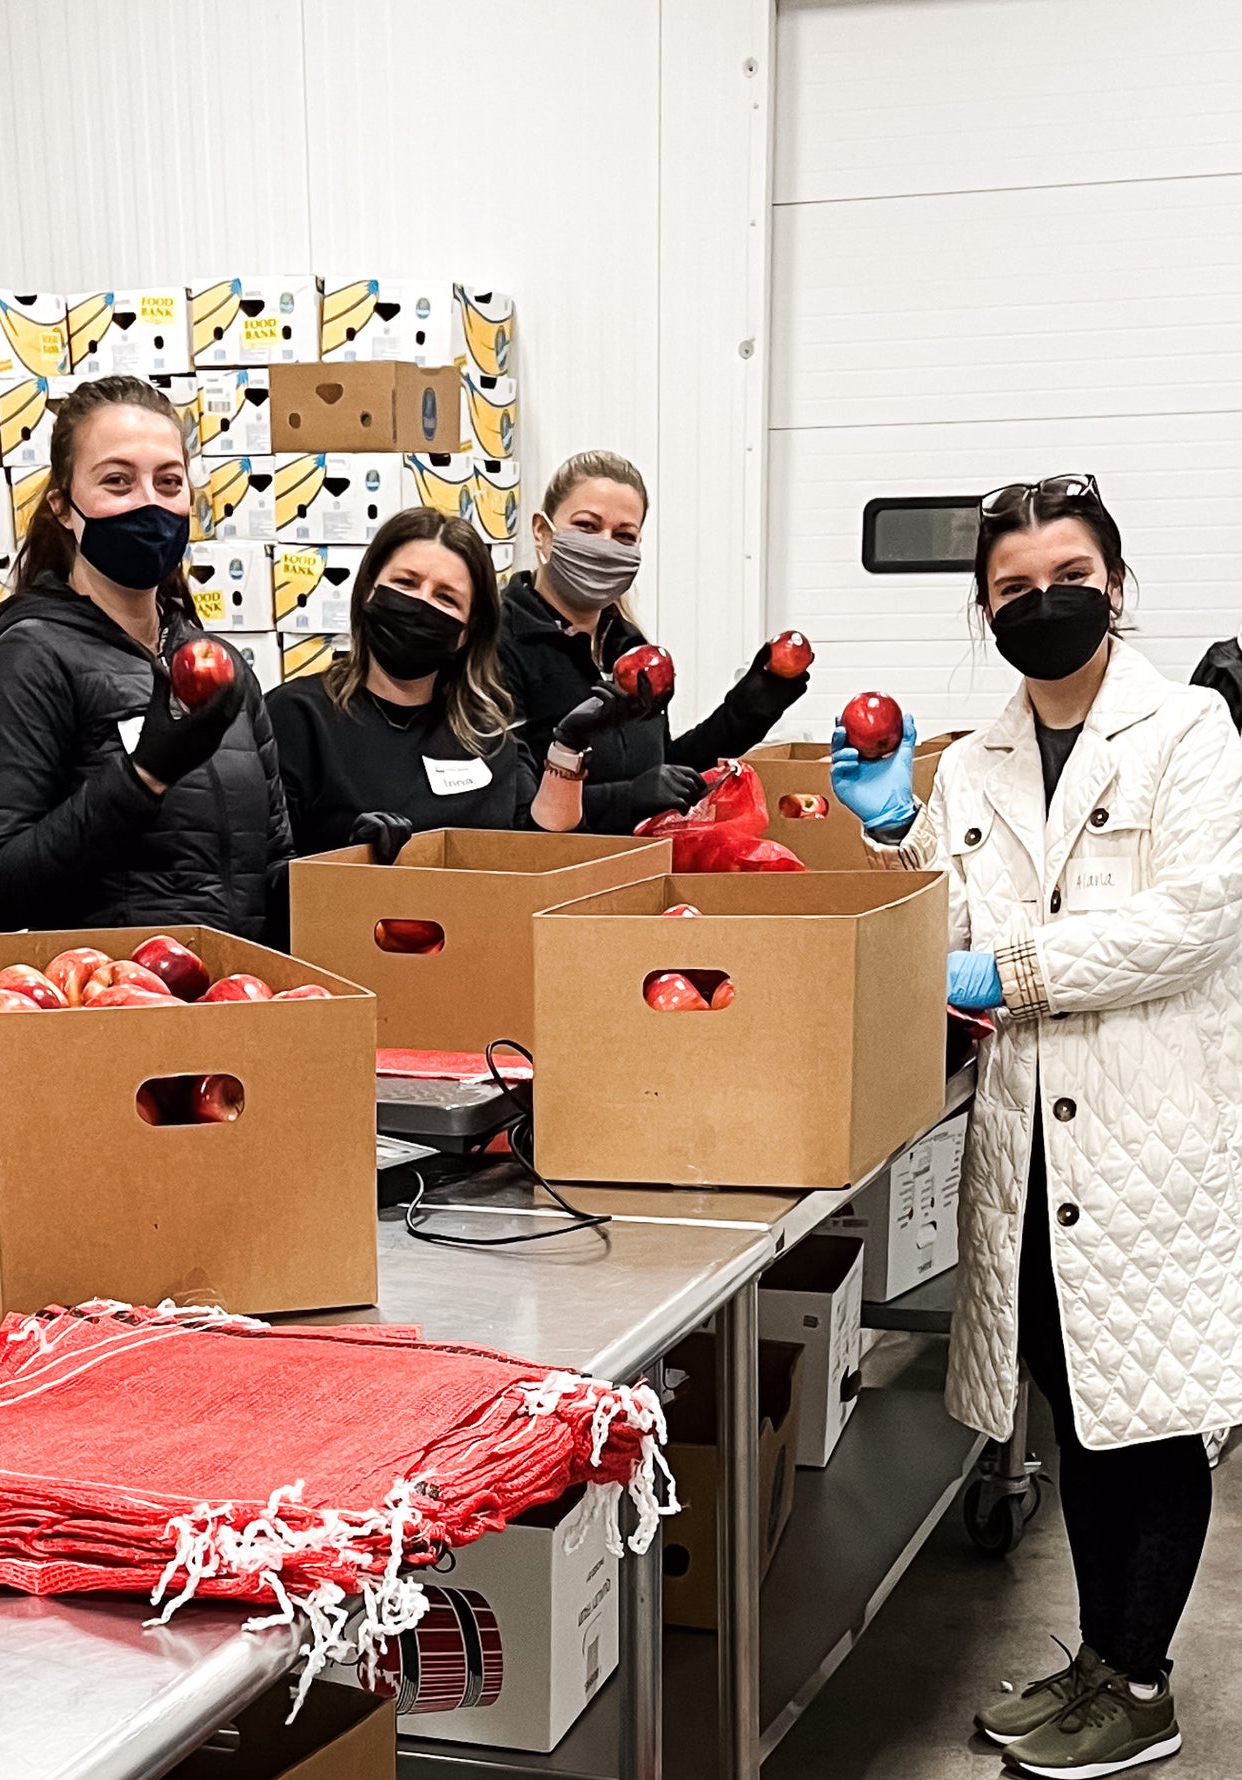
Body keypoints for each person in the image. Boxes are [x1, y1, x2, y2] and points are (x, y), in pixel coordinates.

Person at [830, 473, 1242, 1778]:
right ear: (983, 607)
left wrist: (1010, 973)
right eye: (1012, 587)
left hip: (1150, 1134)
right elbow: (940, 930)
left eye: (1069, 577)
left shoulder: (1191, 732)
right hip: (1029, 1149)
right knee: (1075, 1401)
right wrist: (894, 835)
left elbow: (1193, 922)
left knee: (1149, 1414)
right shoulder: (973, 760)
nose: (1042, 601)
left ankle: (1141, 1686)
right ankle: (1100, 1657)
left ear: (1116, 586)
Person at [0, 376, 289, 937]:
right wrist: (142, 777)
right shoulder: (28, 663)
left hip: (236, 987)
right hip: (113, 989)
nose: (149, 502)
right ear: (63, 507)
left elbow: (268, 860)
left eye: (169, 481)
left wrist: (352, 868)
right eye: (118, 481)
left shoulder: (223, 666)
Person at [268, 507, 635, 858]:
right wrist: (347, 859)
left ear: (466, 632)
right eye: (405, 582)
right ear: (368, 591)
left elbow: (542, 853)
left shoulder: (490, 742)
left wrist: (567, 748)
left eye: (446, 598)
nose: (421, 603)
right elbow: (265, 869)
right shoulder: (297, 719)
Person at [500, 450, 809, 835]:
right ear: (542, 532)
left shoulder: (628, 645)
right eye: (586, 526)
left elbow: (664, 771)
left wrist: (748, 708)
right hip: (562, 869)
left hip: (641, 861)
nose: (605, 546)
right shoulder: (500, 643)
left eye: (624, 536)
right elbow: (516, 814)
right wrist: (629, 797)